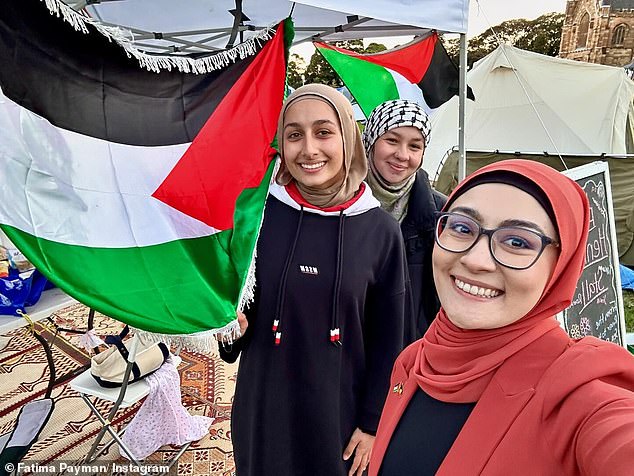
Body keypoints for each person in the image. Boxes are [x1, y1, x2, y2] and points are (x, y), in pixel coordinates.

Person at [369, 159, 634, 475]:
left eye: (518, 241)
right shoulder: (414, 363)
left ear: (560, 265)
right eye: (462, 227)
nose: (476, 260)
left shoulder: (575, 392)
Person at [219, 84, 407, 476]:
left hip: (339, 414)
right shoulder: (258, 214)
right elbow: (241, 314)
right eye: (294, 134)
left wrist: (374, 424)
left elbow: (391, 339)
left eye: (323, 132)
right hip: (263, 404)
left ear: (349, 137)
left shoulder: (380, 231)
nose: (308, 149)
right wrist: (230, 327)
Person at [362, 100, 446, 340]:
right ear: (370, 140)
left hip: (409, 351)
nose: (402, 155)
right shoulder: (341, 202)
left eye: (415, 146)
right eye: (392, 140)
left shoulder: (439, 214)